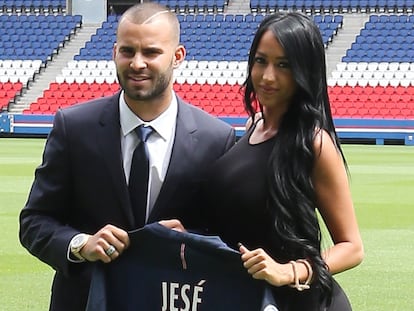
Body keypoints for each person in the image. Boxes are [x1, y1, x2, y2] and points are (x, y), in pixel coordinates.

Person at [19, 3, 235, 311]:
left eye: (150, 52)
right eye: (127, 51)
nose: (137, 63)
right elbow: (34, 221)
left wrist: (191, 241)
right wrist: (81, 244)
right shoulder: (74, 127)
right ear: (114, 52)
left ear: (178, 57)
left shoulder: (216, 139)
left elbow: (226, 236)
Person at [201, 12, 364, 310]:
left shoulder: (314, 143)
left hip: (302, 302)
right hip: (249, 298)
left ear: (305, 71)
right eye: (261, 61)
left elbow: (352, 247)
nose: (267, 76)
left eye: (284, 65)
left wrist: (289, 271)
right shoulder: (253, 126)